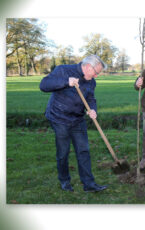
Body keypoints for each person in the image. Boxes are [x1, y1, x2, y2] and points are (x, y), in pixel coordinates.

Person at [40, 55, 108, 192]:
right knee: (63, 152)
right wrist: (66, 82)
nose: (96, 76)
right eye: (96, 72)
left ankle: (89, 184)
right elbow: (44, 85)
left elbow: (90, 98)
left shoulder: (91, 81)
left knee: (83, 150)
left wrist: (93, 109)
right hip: (59, 117)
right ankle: (65, 181)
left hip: (77, 119)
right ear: (88, 67)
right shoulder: (63, 70)